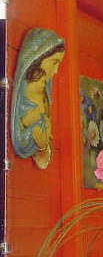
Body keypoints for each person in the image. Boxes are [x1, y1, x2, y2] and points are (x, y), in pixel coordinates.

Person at [11, 28, 66, 170]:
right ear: (39, 56)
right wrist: (26, 122)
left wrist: (42, 145)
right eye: (54, 62)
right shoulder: (25, 90)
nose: (56, 71)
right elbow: (21, 136)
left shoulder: (43, 89)